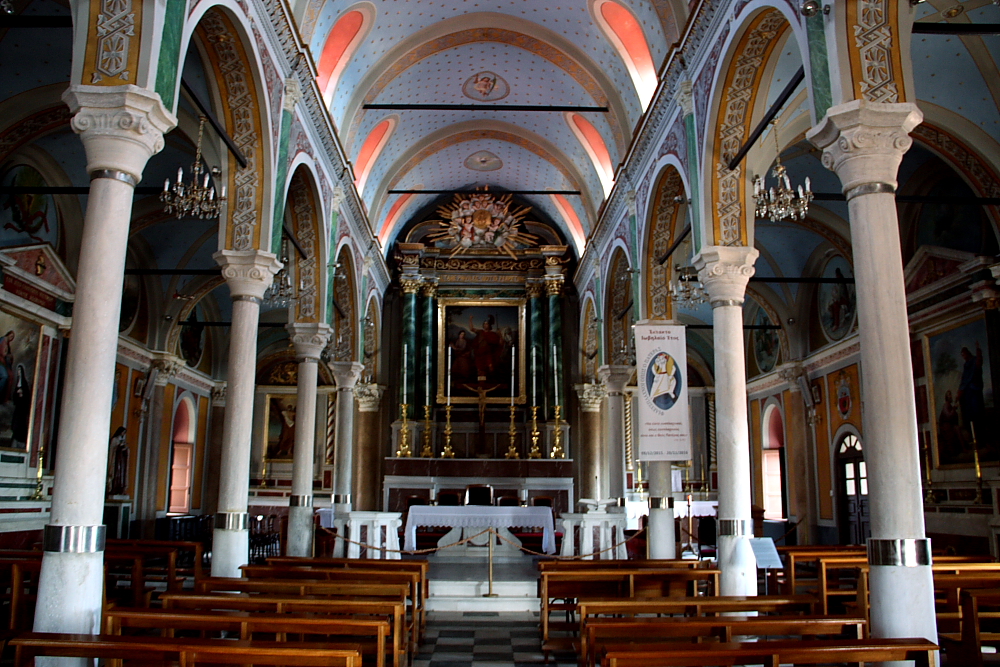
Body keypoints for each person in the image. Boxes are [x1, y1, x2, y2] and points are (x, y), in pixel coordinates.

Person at [468, 314, 504, 381]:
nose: (485, 325)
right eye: (484, 324)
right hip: (479, 353)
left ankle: (491, 380)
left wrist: (500, 335)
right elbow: (471, 329)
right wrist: (470, 319)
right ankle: (480, 382)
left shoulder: (493, 334)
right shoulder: (480, 332)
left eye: (486, 324)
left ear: (489, 325)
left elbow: (500, 343)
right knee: (479, 370)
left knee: (490, 367)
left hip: (488, 353)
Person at [108, 426, 129, 496]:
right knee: (115, 474)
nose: (123, 434)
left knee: (122, 475)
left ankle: (121, 489)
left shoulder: (122, 440)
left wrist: (125, 448)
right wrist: (120, 447)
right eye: (123, 432)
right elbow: (113, 449)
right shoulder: (115, 439)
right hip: (116, 460)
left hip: (121, 461)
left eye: (124, 433)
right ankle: (113, 488)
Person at [0, 330, 14, 402]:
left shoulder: (7, 344)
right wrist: (8, 355)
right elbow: (3, 353)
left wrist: (10, 357)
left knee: (11, 376)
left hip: (4, 363)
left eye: (12, 337)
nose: (11, 338)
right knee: (5, 376)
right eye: (11, 336)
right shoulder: (3, 340)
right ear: (8, 335)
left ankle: (5, 397)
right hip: (0, 362)